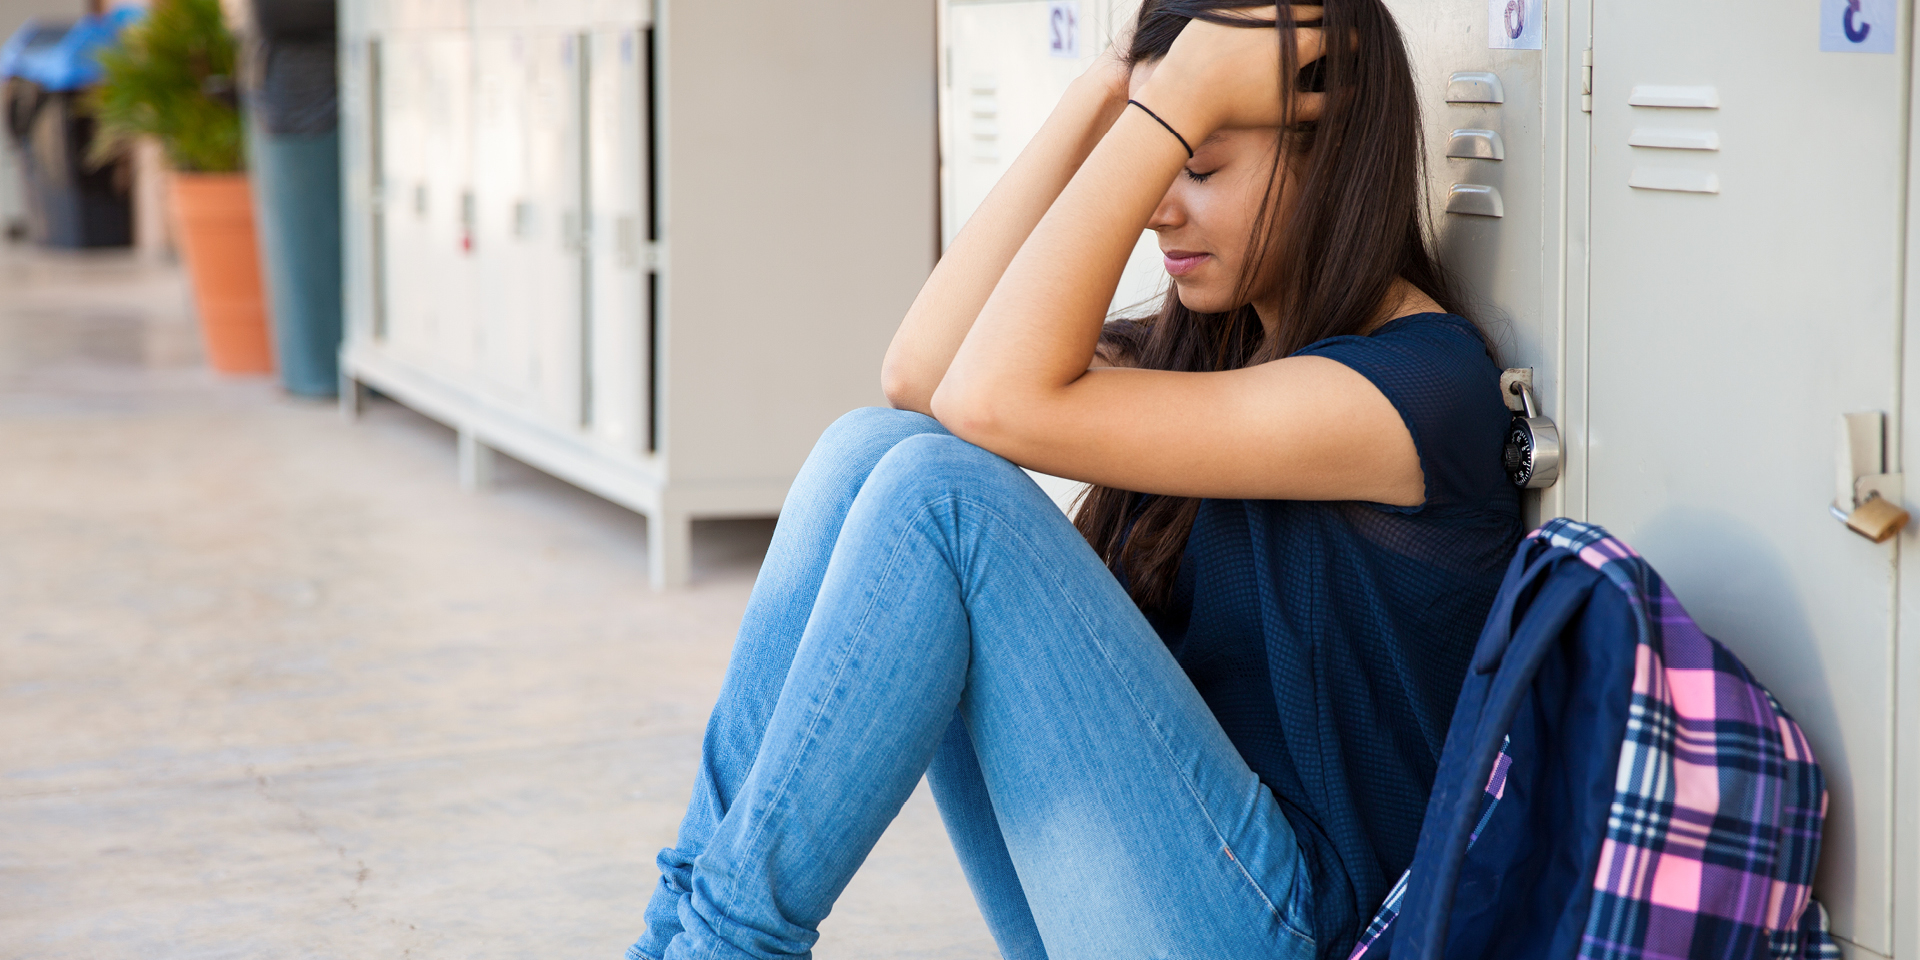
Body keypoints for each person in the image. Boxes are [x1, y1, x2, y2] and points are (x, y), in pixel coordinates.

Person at [627, 1, 1521, 957]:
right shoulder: (1217, 353)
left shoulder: (1411, 392)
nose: (1156, 206)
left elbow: (989, 406)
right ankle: (674, 939)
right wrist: (1111, 88)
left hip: (1302, 930)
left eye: (1200, 166)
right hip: (1177, 897)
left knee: (942, 497)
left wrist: (1167, 108)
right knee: (869, 446)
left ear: (1331, 157)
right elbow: (922, 378)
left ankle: (724, 946)